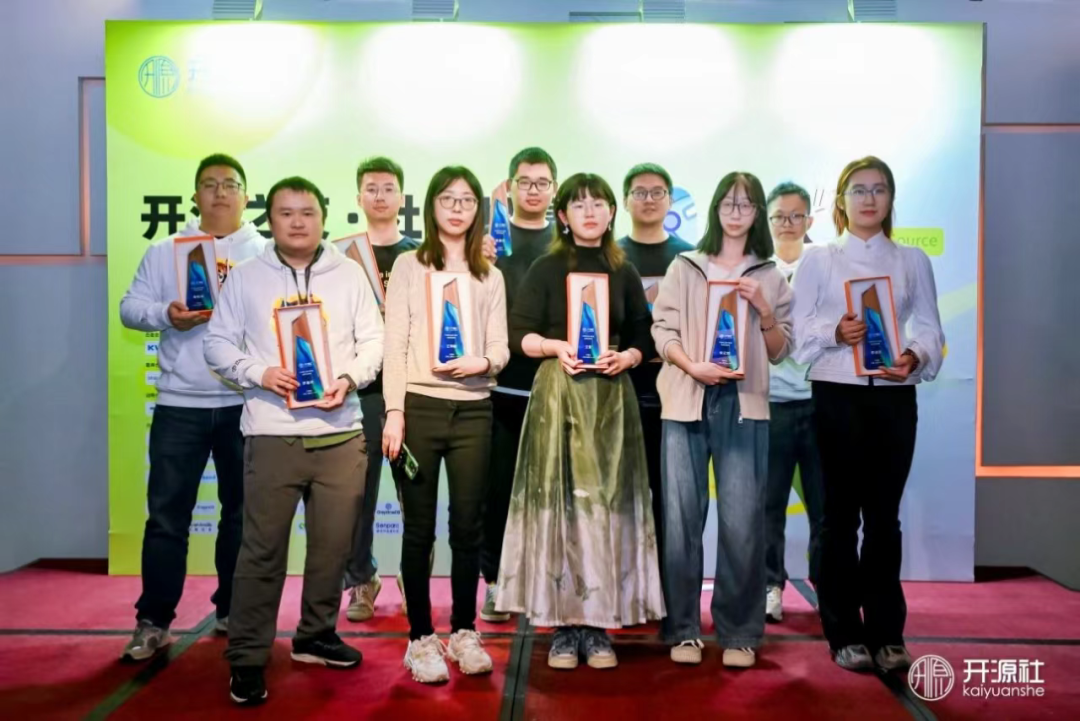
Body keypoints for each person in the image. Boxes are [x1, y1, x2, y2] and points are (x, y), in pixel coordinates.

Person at [204, 177, 384, 705]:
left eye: (307, 212)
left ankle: (315, 635)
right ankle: (247, 657)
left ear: (324, 217)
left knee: (332, 548)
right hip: (272, 434)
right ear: (270, 220)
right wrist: (259, 372)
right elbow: (217, 343)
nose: (298, 222)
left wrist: (348, 378)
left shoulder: (349, 274)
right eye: (286, 213)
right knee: (261, 551)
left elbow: (373, 341)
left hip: (340, 434)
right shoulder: (246, 277)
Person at [495, 172, 665, 671]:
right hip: (559, 394)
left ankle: (599, 623)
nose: (590, 211)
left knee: (605, 507)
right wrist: (555, 347)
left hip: (612, 399)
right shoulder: (546, 268)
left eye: (599, 203)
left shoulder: (624, 269)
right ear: (563, 215)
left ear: (612, 213)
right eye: (579, 204)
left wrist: (629, 356)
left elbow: (645, 334)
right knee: (562, 507)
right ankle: (564, 627)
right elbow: (518, 335)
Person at [792, 156, 944, 673]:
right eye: (858, 190)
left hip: (893, 398)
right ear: (840, 201)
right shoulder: (820, 260)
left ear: (891, 199)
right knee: (838, 517)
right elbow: (798, 333)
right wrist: (836, 332)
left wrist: (914, 356)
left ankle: (887, 632)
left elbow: (930, 327)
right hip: (837, 394)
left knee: (884, 518)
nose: (869, 199)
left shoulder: (912, 260)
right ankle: (842, 631)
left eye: (879, 189)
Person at [119, 153, 265, 661]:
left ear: (247, 196)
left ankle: (233, 611)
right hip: (180, 404)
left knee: (242, 517)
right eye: (209, 184)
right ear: (195, 196)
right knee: (166, 518)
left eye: (230, 184)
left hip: (246, 403)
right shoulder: (165, 251)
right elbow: (129, 308)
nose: (220, 192)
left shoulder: (265, 254)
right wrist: (167, 314)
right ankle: (153, 620)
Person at [651, 172, 792, 668]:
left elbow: (780, 350)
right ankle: (683, 628)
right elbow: (662, 330)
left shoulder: (770, 274)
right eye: (728, 203)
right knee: (681, 520)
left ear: (757, 214)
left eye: (746, 204)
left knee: (742, 522)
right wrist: (692, 365)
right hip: (686, 398)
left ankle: (739, 631)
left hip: (745, 403)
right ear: (714, 209)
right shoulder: (685, 264)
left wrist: (765, 310)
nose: (736, 212)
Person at [381, 166, 509, 684]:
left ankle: (463, 630)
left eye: (467, 200)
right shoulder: (409, 266)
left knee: (468, 527)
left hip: (474, 408)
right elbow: (394, 345)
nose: (457, 208)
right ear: (431, 205)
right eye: (447, 199)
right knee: (418, 529)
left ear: (478, 209)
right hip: (420, 408)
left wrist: (484, 362)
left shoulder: (489, 274)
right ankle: (420, 638)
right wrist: (394, 412)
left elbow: (500, 346)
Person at [479, 147, 559, 623]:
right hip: (498, 388)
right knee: (497, 493)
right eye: (524, 182)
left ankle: (552, 584)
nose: (533, 190)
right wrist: (474, 259)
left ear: (554, 190)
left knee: (555, 494)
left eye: (542, 182)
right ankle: (496, 582)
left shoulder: (565, 240)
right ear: (508, 187)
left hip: (555, 386)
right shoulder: (489, 240)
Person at [343, 157, 420, 623]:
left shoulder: (421, 255)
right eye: (370, 188)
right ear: (358, 197)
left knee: (415, 495)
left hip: (413, 389)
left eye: (388, 188)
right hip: (364, 391)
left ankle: (413, 579)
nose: (379, 196)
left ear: (401, 198)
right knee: (358, 495)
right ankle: (361, 579)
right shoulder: (341, 258)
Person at [616, 162, 695, 585]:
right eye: (640, 192)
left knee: (671, 500)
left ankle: (667, 591)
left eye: (658, 192)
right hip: (620, 392)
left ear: (670, 199)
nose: (649, 200)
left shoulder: (690, 257)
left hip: (676, 394)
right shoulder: (611, 256)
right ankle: (625, 588)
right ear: (625, 200)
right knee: (621, 498)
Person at [762, 181, 825, 624]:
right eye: (779, 216)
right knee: (769, 506)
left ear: (809, 220)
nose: (787, 223)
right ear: (767, 221)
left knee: (827, 506)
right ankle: (770, 585)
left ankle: (828, 583)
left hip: (822, 400)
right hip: (769, 403)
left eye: (796, 216)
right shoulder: (754, 269)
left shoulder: (826, 264)